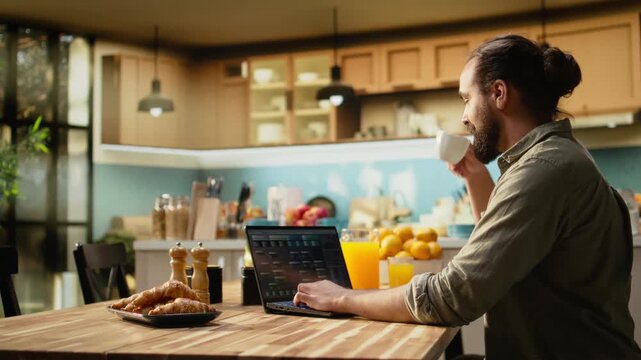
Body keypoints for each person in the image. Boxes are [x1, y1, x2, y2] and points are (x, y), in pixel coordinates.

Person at [294, 34, 641, 359]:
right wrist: (477, 176)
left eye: (466, 98)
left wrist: (343, 297)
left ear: (499, 94)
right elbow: (498, 254)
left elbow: (453, 295)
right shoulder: (555, 158)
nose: (464, 117)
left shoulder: (545, 169)